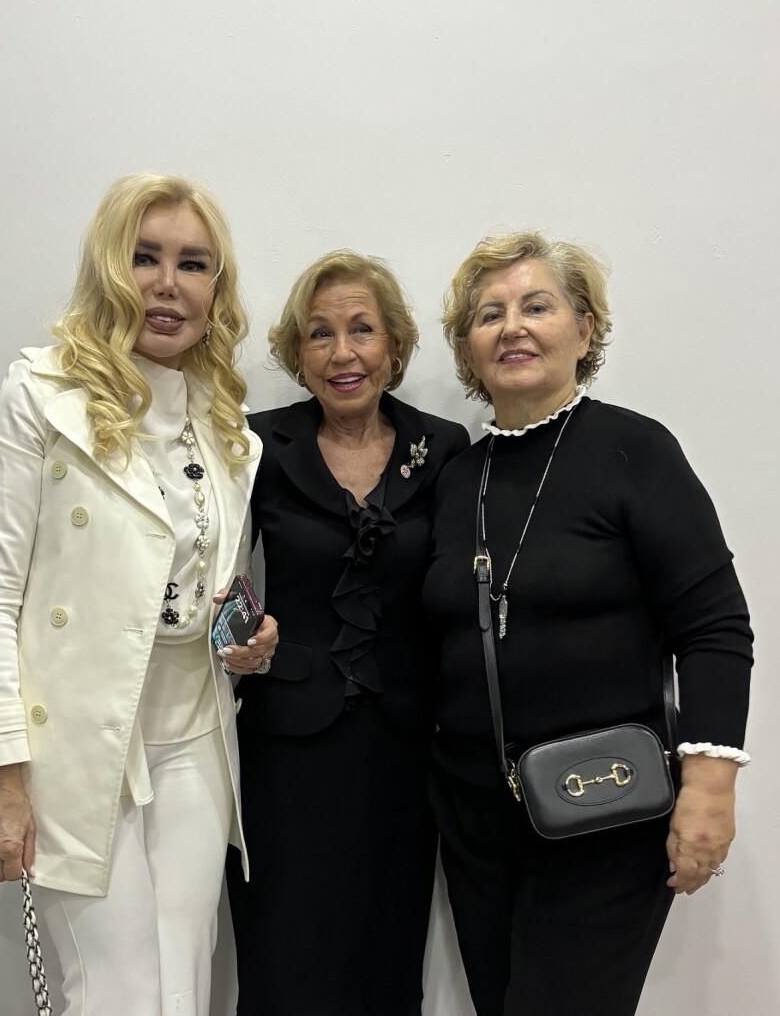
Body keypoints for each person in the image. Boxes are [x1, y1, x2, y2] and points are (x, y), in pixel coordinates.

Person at [0, 173, 278, 1016]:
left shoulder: (226, 422)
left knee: (185, 979)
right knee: (116, 991)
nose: (167, 284)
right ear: (108, 268)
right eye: (144, 257)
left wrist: (243, 640)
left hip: (195, 733)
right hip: (75, 739)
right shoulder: (40, 395)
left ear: (216, 287)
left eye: (192, 264)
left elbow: (201, 584)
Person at [424, 232, 754, 1015]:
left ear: (585, 328)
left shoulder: (634, 449)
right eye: (489, 315)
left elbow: (714, 626)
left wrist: (710, 788)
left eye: (536, 306)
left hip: (603, 813)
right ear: (467, 350)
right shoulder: (458, 476)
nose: (512, 327)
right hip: (477, 823)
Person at [224, 250, 470, 1015]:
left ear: (393, 346)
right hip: (284, 749)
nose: (342, 352)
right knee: (284, 947)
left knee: (386, 945)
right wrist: (238, 639)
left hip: (404, 746)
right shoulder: (255, 445)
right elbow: (215, 570)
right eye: (320, 333)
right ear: (297, 354)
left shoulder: (444, 448)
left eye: (362, 329)